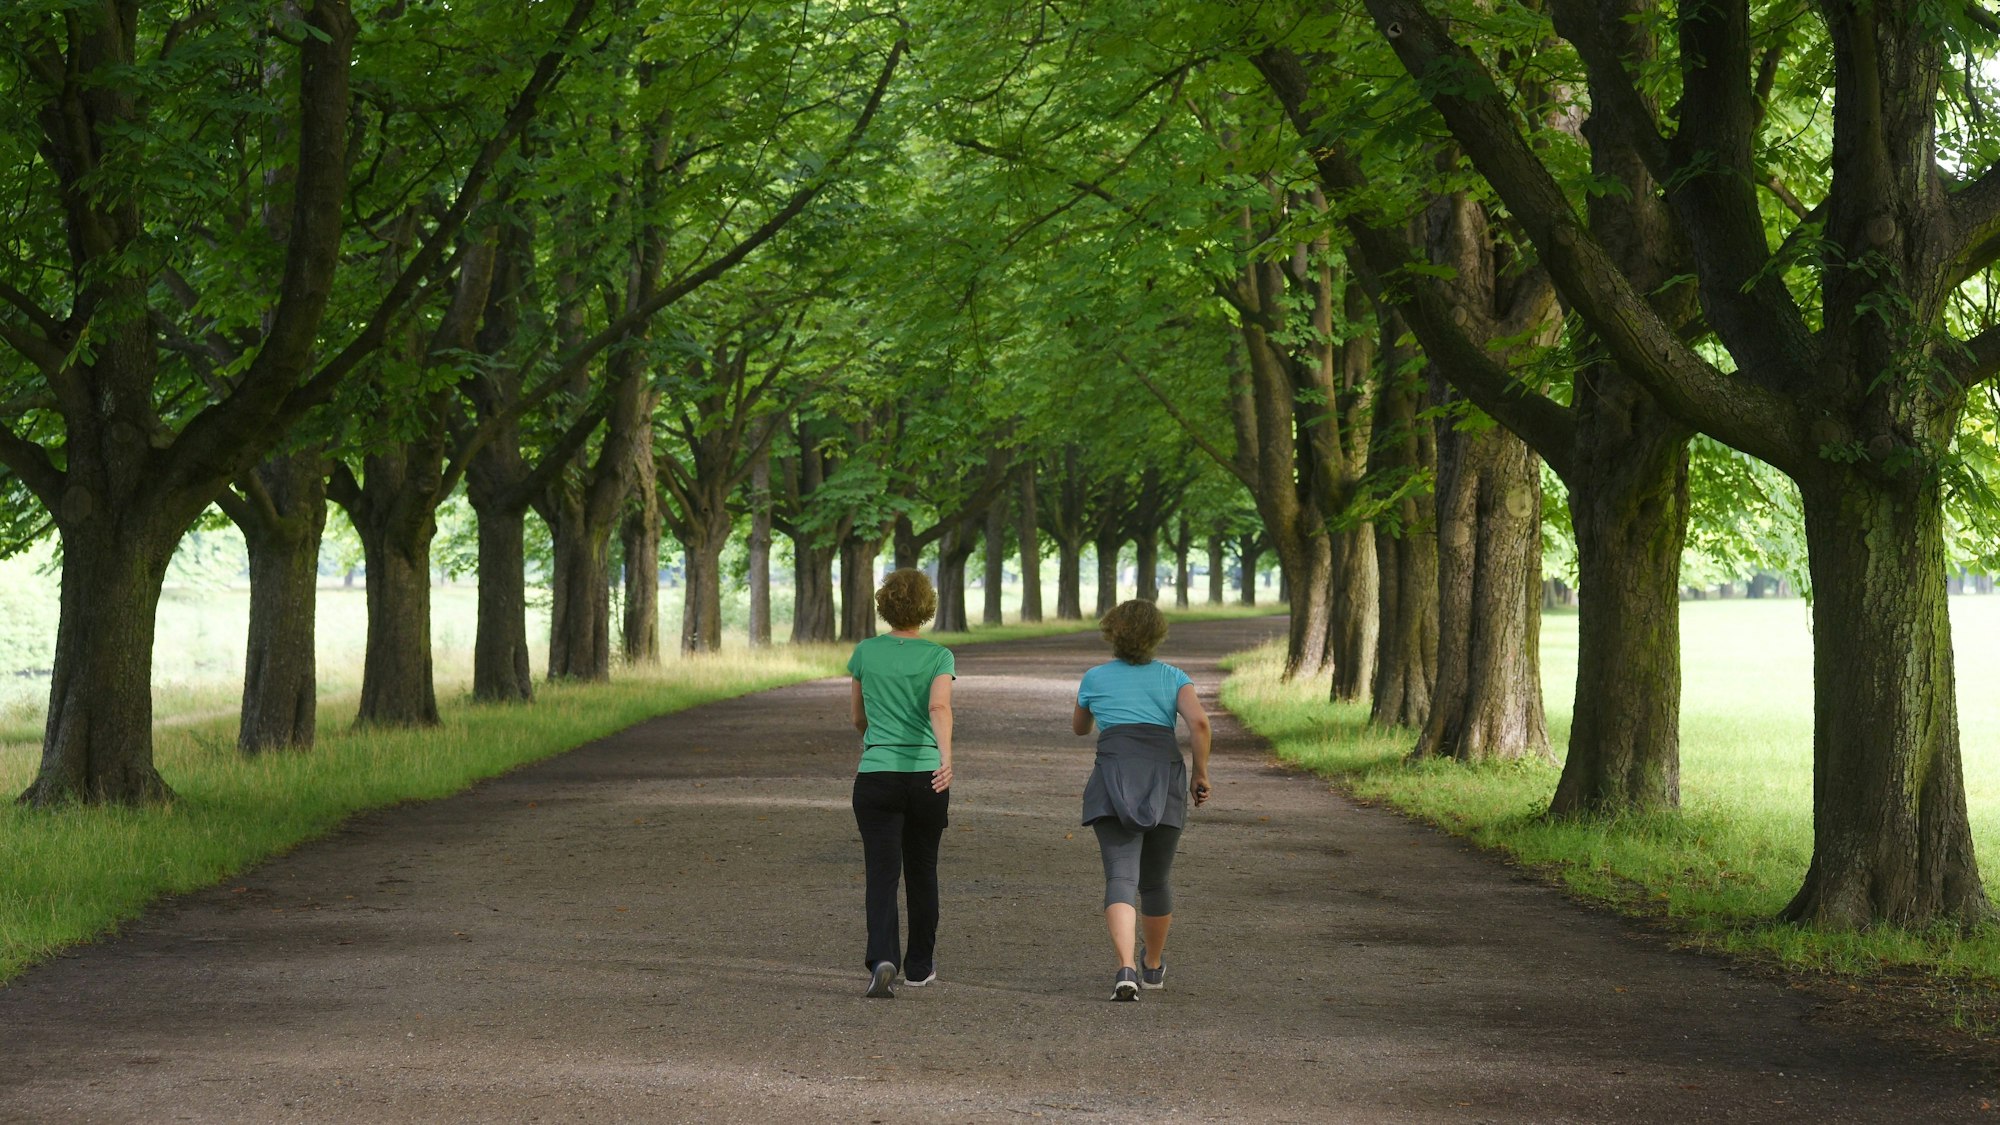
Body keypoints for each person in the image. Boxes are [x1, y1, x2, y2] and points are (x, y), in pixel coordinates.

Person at [1072, 599, 1212, 1002]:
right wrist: (1200, 773)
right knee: (1155, 879)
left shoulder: (1095, 678)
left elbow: (1080, 728)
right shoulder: (1173, 678)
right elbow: (1199, 723)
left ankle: (1124, 968)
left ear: (1111, 634)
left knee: (1120, 876)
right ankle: (1152, 965)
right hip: (1163, 779)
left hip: (1112, 779)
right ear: (1157, 636)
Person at [847, 568, 955, 999]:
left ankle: (882, 956)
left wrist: (878, 744)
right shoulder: (938, 657)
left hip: (876, 774)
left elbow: (858, 718)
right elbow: (939, 708)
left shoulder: (864, 653)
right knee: (922, 869)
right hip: (927, 774)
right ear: (926, 608)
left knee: (882, 871)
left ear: (884, 605)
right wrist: (945, 758)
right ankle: (919, 965)